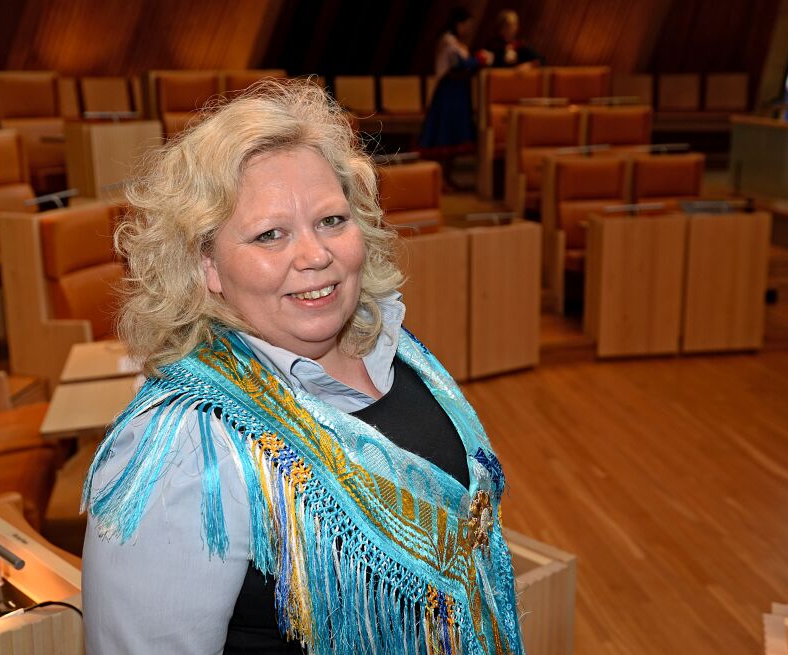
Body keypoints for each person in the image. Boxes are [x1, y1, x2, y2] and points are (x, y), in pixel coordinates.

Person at [81, 79, 525, 655]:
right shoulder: (184, 445)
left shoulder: (391, 344)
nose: (316, 256)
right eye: (271, 234)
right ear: (207, 264)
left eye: (332, 221)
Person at [418, 7, 493, 189]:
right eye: (466, 25)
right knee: (445, 133)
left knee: (454, 135)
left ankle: (447, 176)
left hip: (459, 92)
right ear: (458, 24)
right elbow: (459, 64)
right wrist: (481, 59)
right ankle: (440, 178)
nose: (468, 30)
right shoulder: (448, 41)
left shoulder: (458, 43)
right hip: (448, 93)